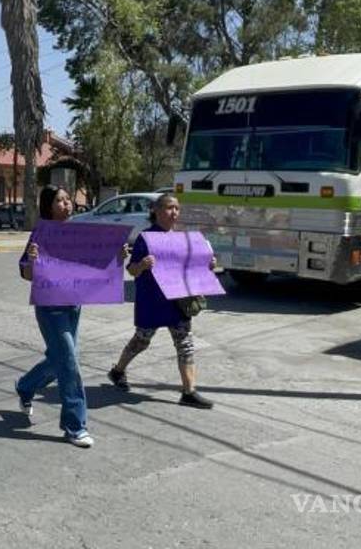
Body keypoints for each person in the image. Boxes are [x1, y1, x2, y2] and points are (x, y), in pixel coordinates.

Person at [106, 193, 215, 409]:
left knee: (185, 345)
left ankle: (189, 392)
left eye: (177, 208)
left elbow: (192, 268)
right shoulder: (146, 238)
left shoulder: (182, 239)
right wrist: (142, 265)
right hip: (152, 301)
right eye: (169, 207)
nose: (174, 212)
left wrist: (207, 264)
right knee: (141, 341)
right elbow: (132, 270)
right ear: (156, 211)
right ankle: (117, 371)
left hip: (178, 300)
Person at [16, 185, 99, 448]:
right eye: (60, 201)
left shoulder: (76, 232)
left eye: (67, 199)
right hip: (50, 307)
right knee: (69, 362)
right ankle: (75, 426)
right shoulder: (41, 233)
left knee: (59, 360)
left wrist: (115, 257)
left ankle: (26, 386)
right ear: (48, 206)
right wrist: (33, 261)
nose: (67, 204)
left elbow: (91, 265)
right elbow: (27, 274)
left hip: (73, 305)